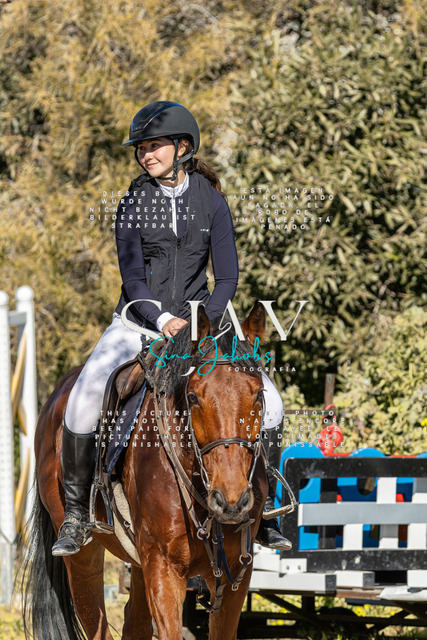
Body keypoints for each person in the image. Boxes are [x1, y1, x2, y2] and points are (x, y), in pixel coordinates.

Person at [52, 101, 290, 556]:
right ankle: (78, 516)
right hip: (139, 322)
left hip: (204, 326)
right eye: (141, 148)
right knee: (82, 400)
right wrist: (163, 319)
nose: (146, 155)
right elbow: (132, 278)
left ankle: (264, 513)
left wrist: (204, 322)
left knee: (273, 404)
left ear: (182, 147)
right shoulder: (132, 203)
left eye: (154, 146)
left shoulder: (212, 201)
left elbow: (228, 277)